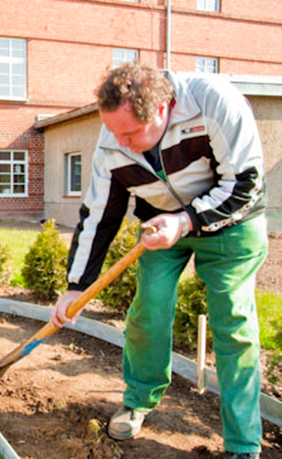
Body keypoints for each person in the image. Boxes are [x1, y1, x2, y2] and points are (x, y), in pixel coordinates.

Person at [50, 62, 267, 459]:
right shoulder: (113, 136)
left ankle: (242, 443)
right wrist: (75, 287)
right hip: (160, 225)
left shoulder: (214, 101)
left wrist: (186, 221)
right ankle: (139, 401)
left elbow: (245, 184)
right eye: (114, 132)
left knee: (233, 323)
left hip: (232, 222)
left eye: (131, 133)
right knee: (147, 312)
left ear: (164, 108)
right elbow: (99, 213)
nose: (121, 142)